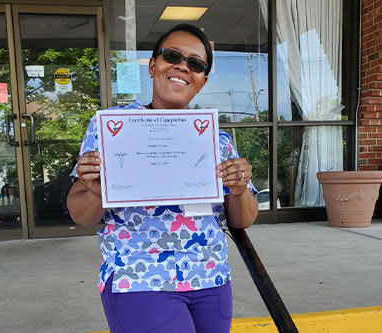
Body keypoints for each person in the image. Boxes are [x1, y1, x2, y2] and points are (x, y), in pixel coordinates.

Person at [67, 24, 258, 333]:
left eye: (195, 64)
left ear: (202, 81)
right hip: (140, 277)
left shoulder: (215, 139)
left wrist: (238, 191)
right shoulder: (115, 128)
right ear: (153, 65)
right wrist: (97, 191)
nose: (183, 66)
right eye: (173, 56)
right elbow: (82, 216)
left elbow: (241, 220)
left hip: (211, 278)